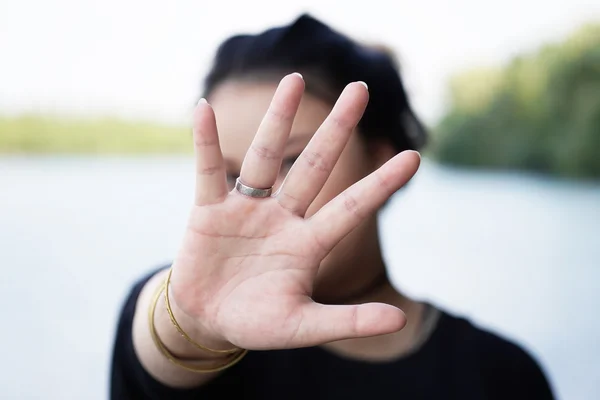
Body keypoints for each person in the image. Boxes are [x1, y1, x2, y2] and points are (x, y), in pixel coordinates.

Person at [110, 14, 554, 399]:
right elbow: (162, 343)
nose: (255, 198)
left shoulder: (500, 375)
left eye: (293, 160)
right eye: (231, 175)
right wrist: (191, 320)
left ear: (381, 161)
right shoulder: (193, 321)